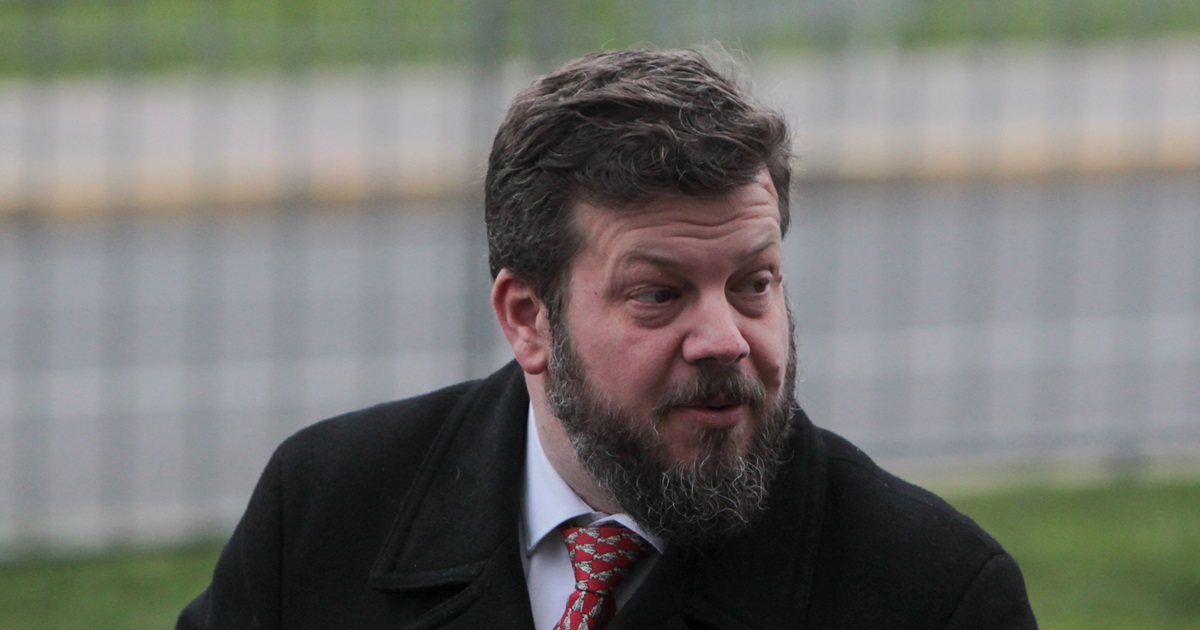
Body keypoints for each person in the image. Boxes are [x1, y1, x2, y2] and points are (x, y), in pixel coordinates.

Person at [179, 48, 1037, 629]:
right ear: (527, 318)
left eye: (754, 284)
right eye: (659, 294)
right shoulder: (325, 509)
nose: (725, 340)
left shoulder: (935, 594)